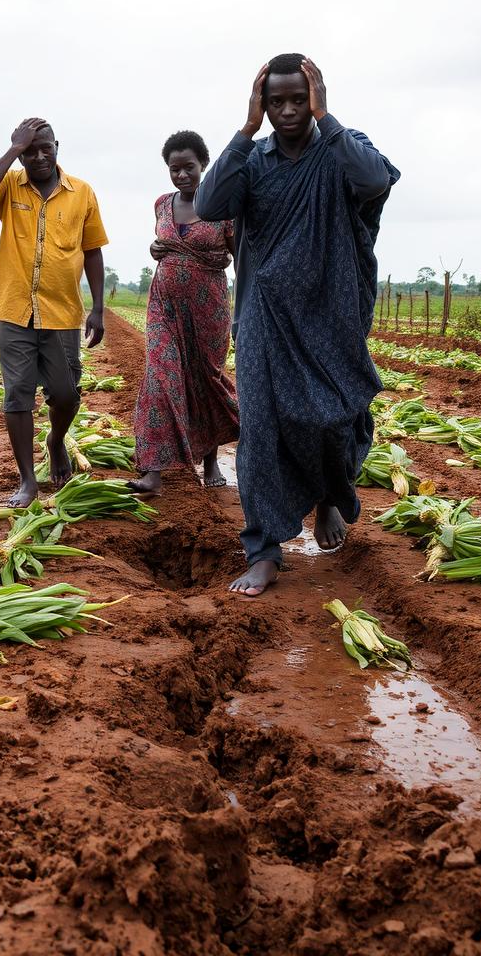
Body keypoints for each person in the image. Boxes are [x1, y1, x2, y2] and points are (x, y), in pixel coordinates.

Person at [195, 55, 399, 597]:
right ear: (262, 104)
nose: (286, 111)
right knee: (260, 431)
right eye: (275, 101)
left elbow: (375, 180)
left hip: (331, 313)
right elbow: (210, 203)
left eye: (297, 100)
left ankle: (331, 494)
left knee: (333, 419)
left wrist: (327, 119)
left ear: (316, 97)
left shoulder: (341, 146)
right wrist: (244, 130)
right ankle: (263, 550)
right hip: (265, 315)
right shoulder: (254, 159)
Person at [0, 119, 108, 507]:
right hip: (14, 309)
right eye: (30, 150)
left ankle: (55, 439)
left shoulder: (82, 192)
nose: (39, 156)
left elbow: (92, 250)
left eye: (45, 148)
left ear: (57, 146)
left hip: (62, 313)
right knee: (18, 396)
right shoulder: (9, 184)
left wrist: (97, 307)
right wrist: (12, 151)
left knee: (65, 395)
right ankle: (27, 480)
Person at [128, 130, 239, 496]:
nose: (181, 175)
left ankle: (210, 461)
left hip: (208, 309)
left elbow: (242, 257)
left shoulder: (224, 206)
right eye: (174, 169)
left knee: (204, 380)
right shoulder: (162, 203)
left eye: (188, 167)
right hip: (164, 306)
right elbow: (165, 242)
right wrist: (154, 248)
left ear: (203, 165)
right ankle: (153, 472)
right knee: (160, 378)